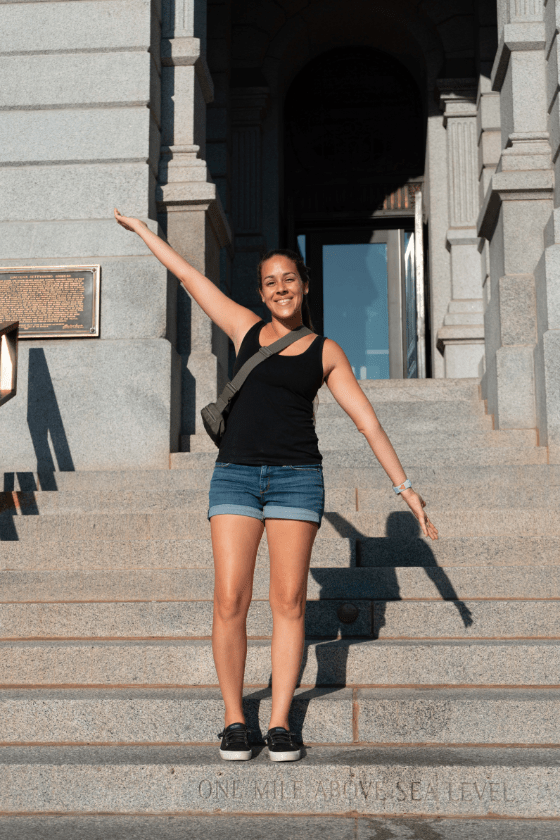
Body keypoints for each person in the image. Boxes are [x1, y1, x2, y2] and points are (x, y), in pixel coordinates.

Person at [114, 208, 439, 763]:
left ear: (305, 286)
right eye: (270, 283)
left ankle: (282, 720)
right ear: (262, 294)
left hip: (296, 480)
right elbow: (193, 279)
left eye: (289, 279)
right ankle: (235, 719)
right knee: (230, 599)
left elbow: (369, 423)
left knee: (288, 602)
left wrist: (405, 487)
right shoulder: (245, 329)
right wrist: (146, 232)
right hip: (236, 476)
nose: (280, 288)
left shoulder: (326, 351)